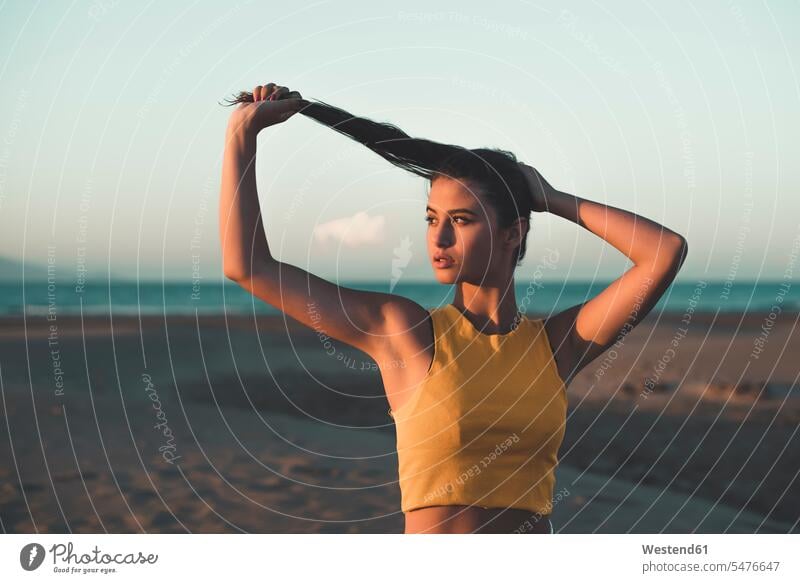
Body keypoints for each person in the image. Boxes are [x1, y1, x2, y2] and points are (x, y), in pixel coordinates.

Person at [219, 83, 688, 534]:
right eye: (431, 220)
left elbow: (664, 252)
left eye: (460, 220)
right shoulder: (405, 333)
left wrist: (551, 198)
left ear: (512, 234)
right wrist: (242, 136)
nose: (439, 239)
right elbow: (250, 266)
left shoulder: (557, 345)